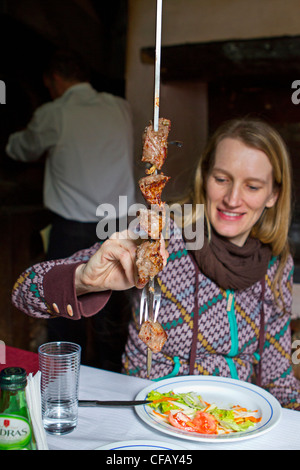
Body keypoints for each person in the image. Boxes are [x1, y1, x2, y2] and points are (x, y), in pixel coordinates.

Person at [11, 117, 300, 410]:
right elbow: (24, 293)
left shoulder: (276, 264)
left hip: (236, 422)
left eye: (252, 186)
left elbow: (279, 379)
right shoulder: (162, 236)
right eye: (222, 179)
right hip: (154, 414)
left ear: (273, 194)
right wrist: (84, 278)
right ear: (204, 176)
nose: (233, 198)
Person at [6, 50, 136, 368]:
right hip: (119, 222)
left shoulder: (55, 112)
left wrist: (12, 142)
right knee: (113, 315)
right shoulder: (120, 107)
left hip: (74, 226)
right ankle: (112, 376)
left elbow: (21, 149)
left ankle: (64, 381)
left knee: (63, 306)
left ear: (54, 80)